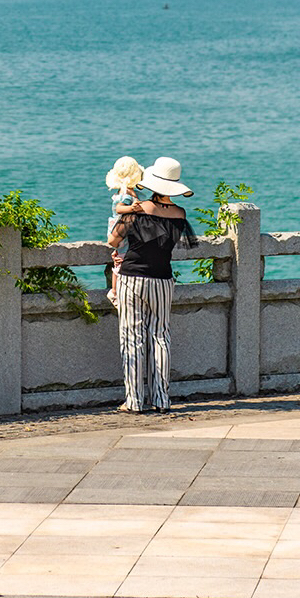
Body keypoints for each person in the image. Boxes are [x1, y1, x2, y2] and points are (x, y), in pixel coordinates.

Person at [107, 156, 196, 414]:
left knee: (131, 337)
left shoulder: (138, 209)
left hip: (132, 277)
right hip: (163, 280)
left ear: (154, 183)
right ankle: (161, 399)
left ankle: (134, 401)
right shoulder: (180, 214)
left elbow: (114, 240)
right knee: (160, 336)